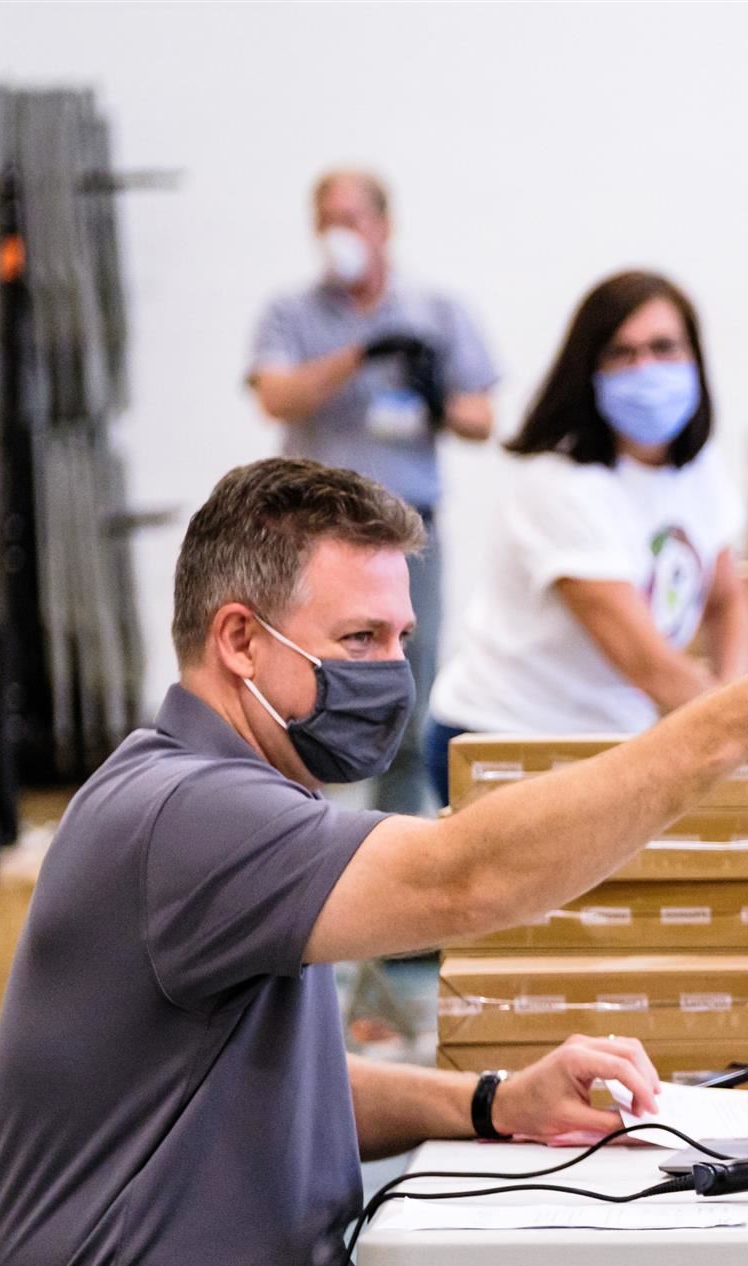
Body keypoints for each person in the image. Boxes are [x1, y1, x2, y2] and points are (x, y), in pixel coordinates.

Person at [0, 457, 748, 1266]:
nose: (389, 671)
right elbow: (467, 878)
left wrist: (492, 1101)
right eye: (356, 641)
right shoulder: (188, 812)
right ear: (239, 639)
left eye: (399, 640)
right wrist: (723, 728)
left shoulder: (210, 804)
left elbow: (285, 1090)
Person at [425, 269, 748, 806]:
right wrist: (742, 727)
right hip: (506, 739)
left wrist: (734, 692)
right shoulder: (562, 488)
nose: (645, 368)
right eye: (621, 354)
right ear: (590, 370)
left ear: (694, 358)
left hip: (610, 739)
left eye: (663, 348)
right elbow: (645, 663)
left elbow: (728, 597)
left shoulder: (696, 470)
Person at [248, 168, 500, 815]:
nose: (339, 234)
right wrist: (358, 356)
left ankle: (395, 838)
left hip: (409, 539)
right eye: (326, 220)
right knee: (305, 692)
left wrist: (435, 393)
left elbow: (482, 417)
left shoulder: (437, 312)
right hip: (310, 542)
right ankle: (298, 831)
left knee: (405, 694)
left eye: (351, 218)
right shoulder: (291, 314)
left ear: (383, 226)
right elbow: (275, 393)